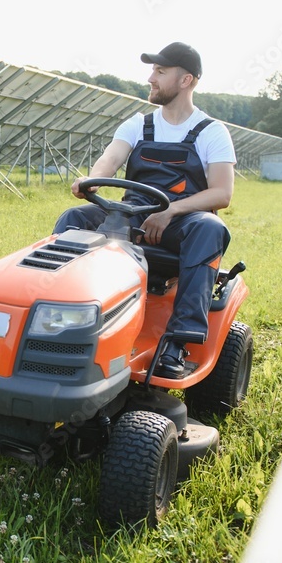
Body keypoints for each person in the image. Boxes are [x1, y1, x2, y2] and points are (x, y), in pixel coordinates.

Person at [52, 42, 236, 378]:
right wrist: (91, 179)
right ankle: (61, 317)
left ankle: (178, 343)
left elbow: (222, 193)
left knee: (210, 228)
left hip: (183, 223)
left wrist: (170, 211)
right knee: (75, 219)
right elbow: (110, 158)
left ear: (186, 80)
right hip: (135, 214)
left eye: (160, 72)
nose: (151, 78)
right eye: (152, 70)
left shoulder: (212, 132)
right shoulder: (138, 124)